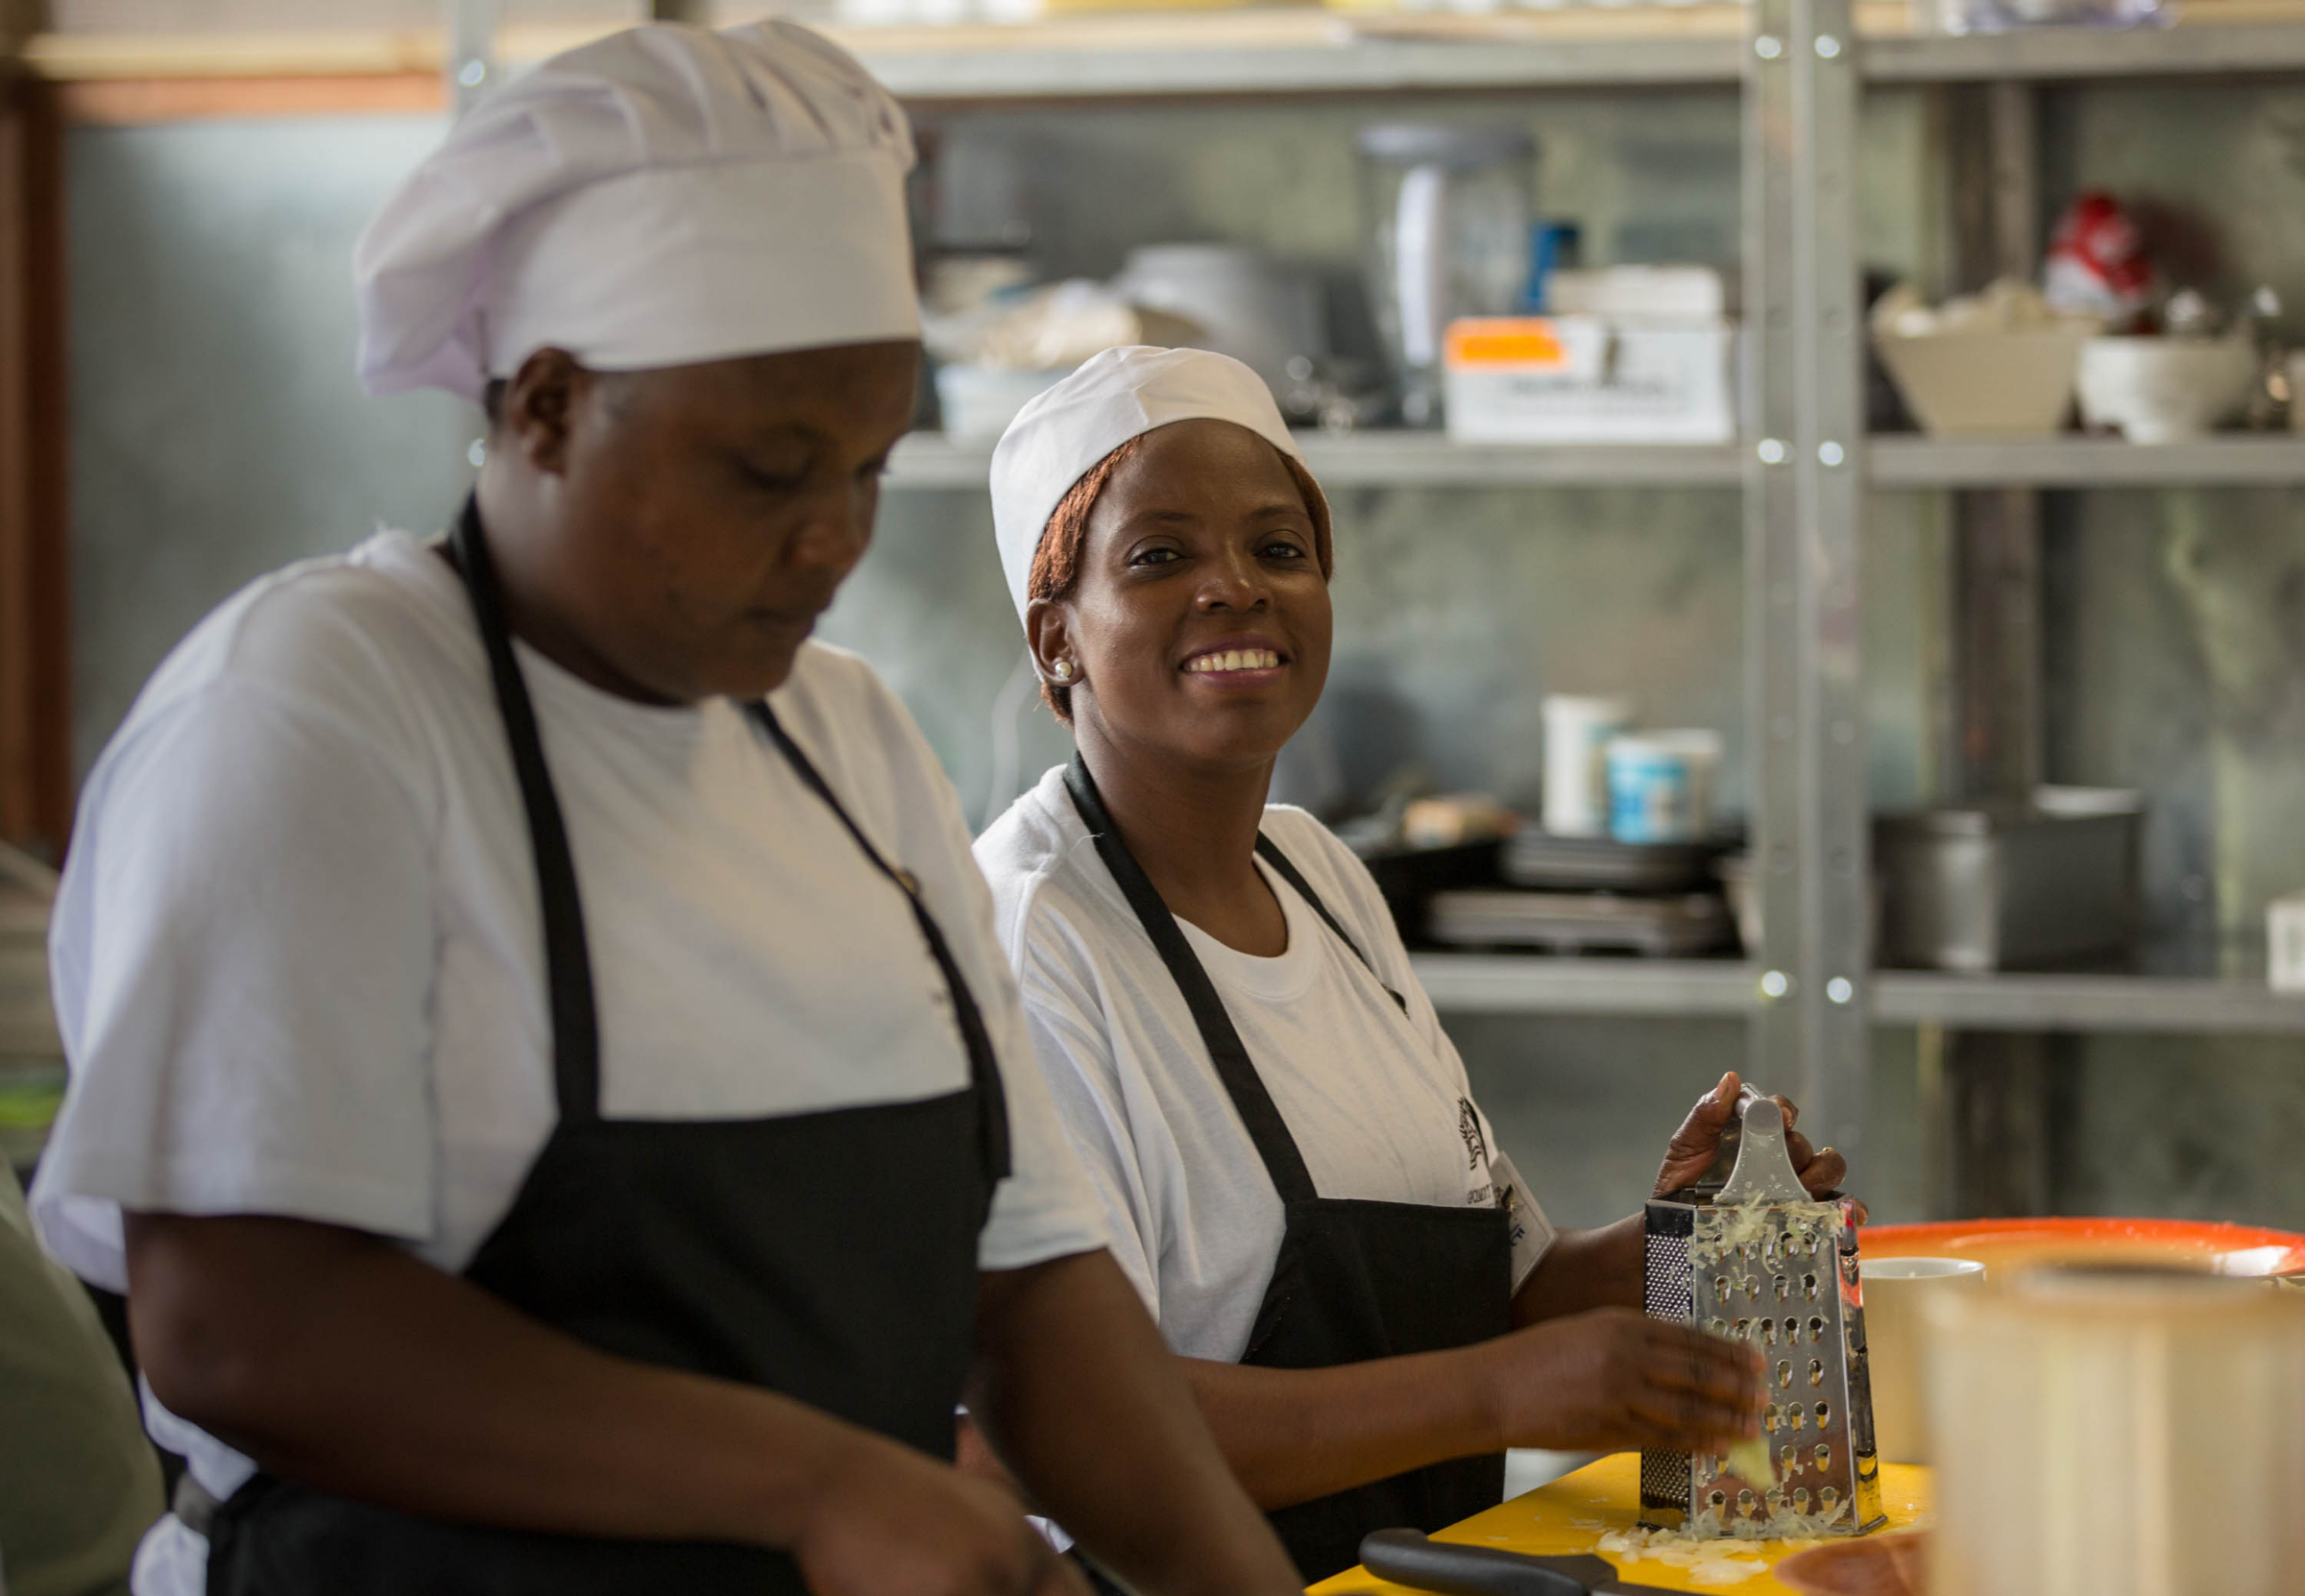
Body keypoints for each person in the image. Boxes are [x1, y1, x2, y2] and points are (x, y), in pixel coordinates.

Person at [28, 34, 1302, 1596]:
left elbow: (1035, 1287)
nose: (832, 537)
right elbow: (242, 1320)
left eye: (870, 465)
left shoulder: (843, 738)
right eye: (770, 470)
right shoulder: (321, 706)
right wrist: (821, 1485)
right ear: (551, 405)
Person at [968, 346, 1855, 1583]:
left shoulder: (1322, 881)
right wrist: (1499, 1398)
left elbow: (1495, 1299)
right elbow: (1058, 1431)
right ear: (1053, 635)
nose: (1237, 588)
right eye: (1159, 556)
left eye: (1280, 549)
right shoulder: (1028, 939)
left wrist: (1682, 1242)